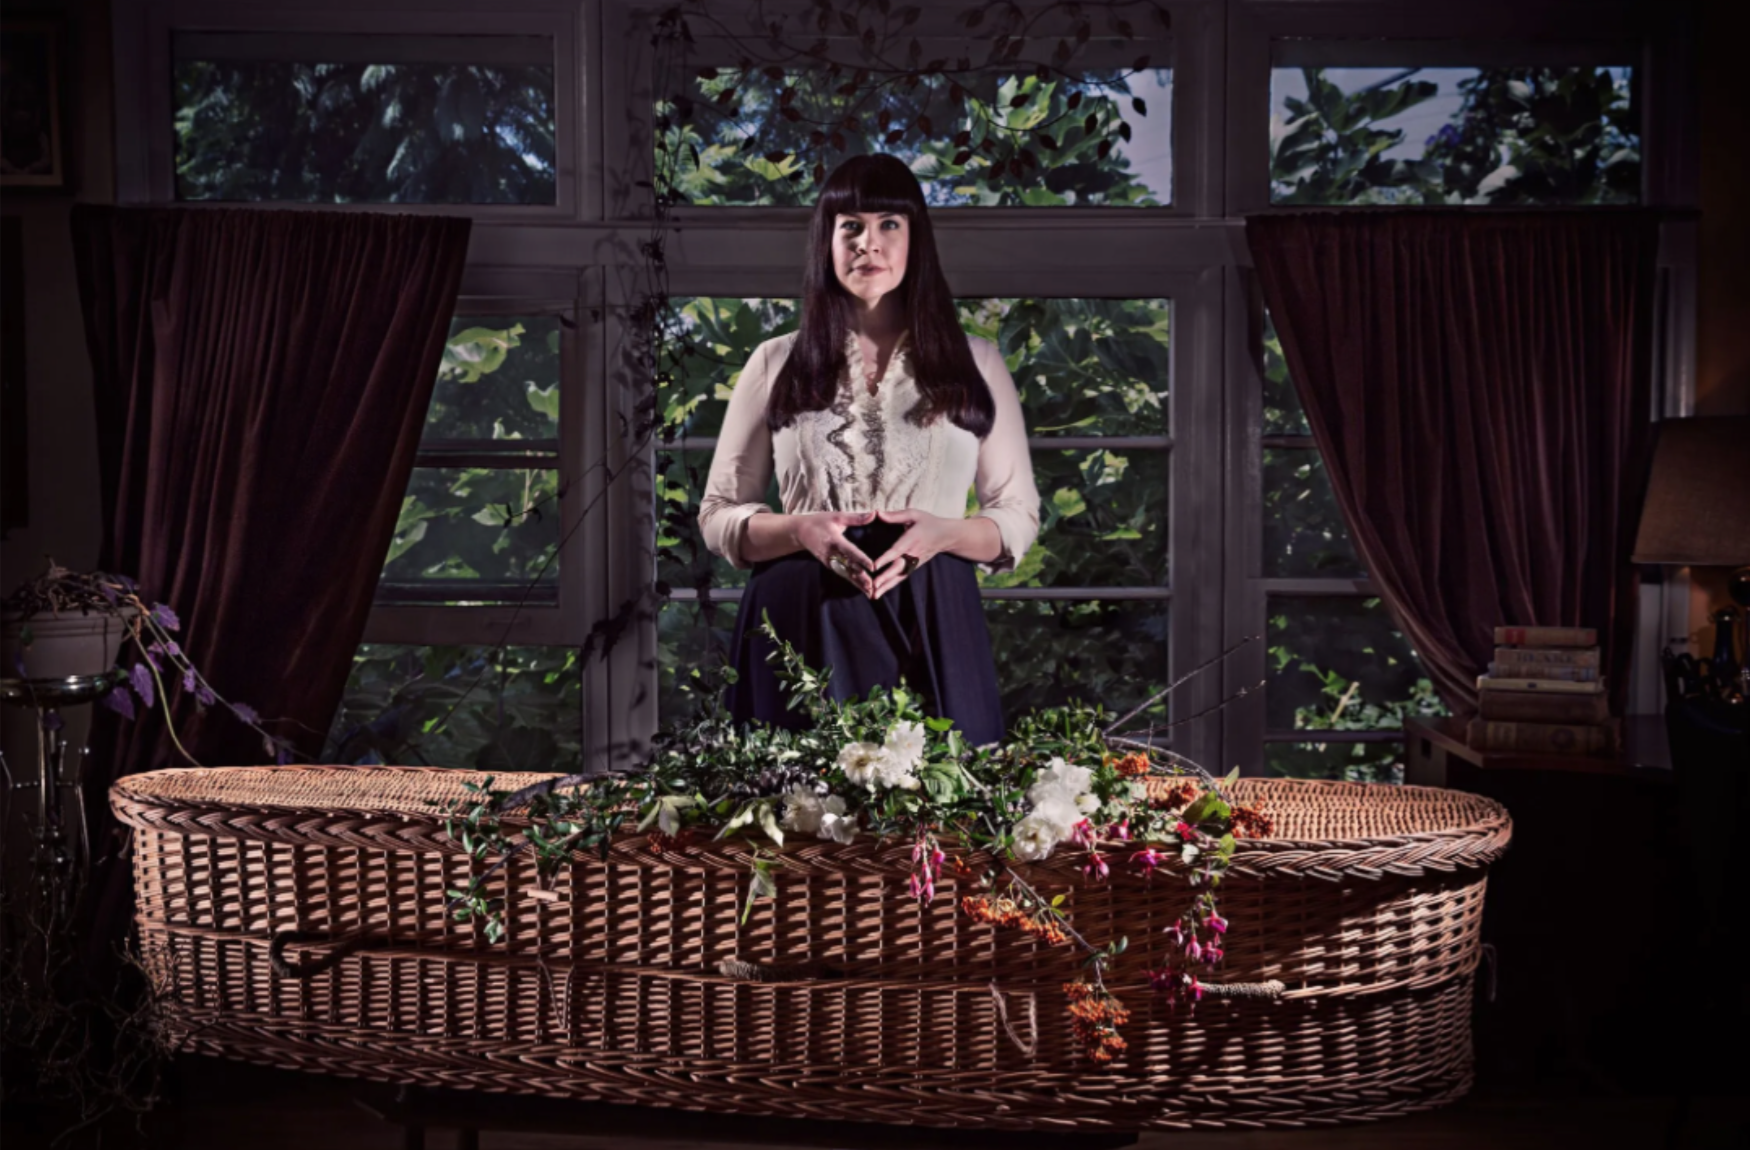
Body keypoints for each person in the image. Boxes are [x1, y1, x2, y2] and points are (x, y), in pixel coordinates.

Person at [699, 154, 1040, 747]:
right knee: (795, 827)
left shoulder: (977, 360)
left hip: (935, 615)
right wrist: (800, 530)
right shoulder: (775, 361)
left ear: (915, 241)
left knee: (945, 826)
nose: (868, 244)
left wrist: (942, 534)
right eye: (849, 226)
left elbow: (1017, 517)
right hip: (800, 616)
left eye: (889, 225)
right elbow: (719, 513)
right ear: (827, 241)